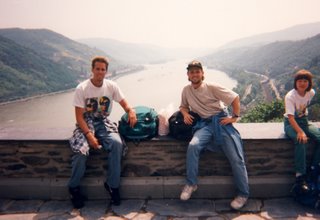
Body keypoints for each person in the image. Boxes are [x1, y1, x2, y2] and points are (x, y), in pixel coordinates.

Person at [179, 60, 250, 210]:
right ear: (188, 75)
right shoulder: (186, 90)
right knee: (193, 146)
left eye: (197, 71)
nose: (195, 74)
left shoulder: (211, 87)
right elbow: (183, 105)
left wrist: (235, 117)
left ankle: (243, 193)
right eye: (192, 72)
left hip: (221, 122)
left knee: (236, 158)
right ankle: (191, 184)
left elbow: (235, 97)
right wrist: (185, 113)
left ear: (202, 73)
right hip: (205, 124)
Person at [68, 56, 137, 208]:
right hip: (86, 124)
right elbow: (79, 118)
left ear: (107, 71)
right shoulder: (82, 88)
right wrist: (89, 135)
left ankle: (113, 186)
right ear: (92, 70)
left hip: (103, 123)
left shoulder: (111, 86)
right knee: (81, 151)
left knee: (117, 144)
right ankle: (73, 187)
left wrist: (130, 111)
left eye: (103, 69)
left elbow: (124, 102)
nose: (100, 72)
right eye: (97, 69)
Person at [284, 69, 320, 190]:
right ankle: (300, 176)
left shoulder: (311, 93)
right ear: (295, 82)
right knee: (300, 140)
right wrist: (300, 132)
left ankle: (314, 168)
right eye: (300, 81)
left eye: (305, 81)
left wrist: (303, 127)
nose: (302, 83)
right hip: (291, 124)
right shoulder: (290, 96)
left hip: (304, 121)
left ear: (309, 83)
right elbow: (290, 117)